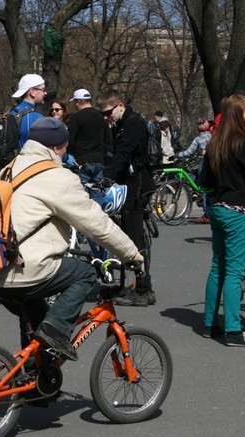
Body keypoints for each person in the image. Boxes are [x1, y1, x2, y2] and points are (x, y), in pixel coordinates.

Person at [0, 117, 143, 360]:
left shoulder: (9, 167)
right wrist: (131, 255)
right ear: (57, 147)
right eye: (66, 147)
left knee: (37, 322)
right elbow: (96, 223)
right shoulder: (56, 176)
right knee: (85, 274)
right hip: (25, 269)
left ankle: (37, 385)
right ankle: (56, 333)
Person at [200, 94, 245, 347]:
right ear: (238, 115)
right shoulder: (242, 143)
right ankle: (234, 331)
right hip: (238, 211)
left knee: (218, 267)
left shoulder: (216, 142)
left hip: (217, 209)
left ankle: (209, 324)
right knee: (235, 272)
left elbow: (205, 182)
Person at [99, 89, 156, 306]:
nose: (107, 118)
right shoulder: (121, 124)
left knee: (135, 238)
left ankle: (144, 288)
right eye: (103, 115)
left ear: (120, 105)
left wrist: (108, 176)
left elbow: (123, 153)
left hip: (137, 185)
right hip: (129, 184)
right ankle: (137, 282)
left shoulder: (133, 123)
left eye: (108, 113)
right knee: (130, 235)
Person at [67, 88, 110, 202]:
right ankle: (98, 218)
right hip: (99, 161)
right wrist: (101, 154)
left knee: (82, 198)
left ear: (78, 102)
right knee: (97, 194)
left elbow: (70, 140)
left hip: (81, 161)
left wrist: (70, 156)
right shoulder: (101, 118)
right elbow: (108, 141)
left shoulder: (76, 117)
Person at [9, 74, 46, 147]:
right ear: (32, 92)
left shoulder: (11, 112)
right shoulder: (37, 118)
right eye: (43, 90)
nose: (45, 93)